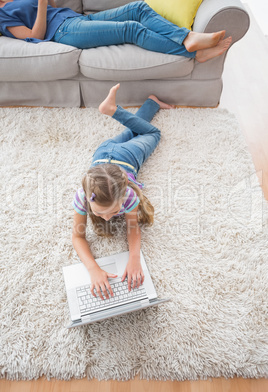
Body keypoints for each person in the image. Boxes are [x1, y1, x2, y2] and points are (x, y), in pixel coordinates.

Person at [72, 83, 174, 300]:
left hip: (128, 155)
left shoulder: (128, 194)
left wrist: (135, 257)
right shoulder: (83, 196)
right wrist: (93, 269)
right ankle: (138, 105)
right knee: (138, 130)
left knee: (154, 133)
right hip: (103, 151)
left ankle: (129, 107)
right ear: (89, 202)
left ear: (123, 196)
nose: (108, 218)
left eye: (113, 211)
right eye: (100, 214)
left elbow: (133, 226)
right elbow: (77, 236)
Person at [0, 0, 232, 63]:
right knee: (132, 29)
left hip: (75, 18)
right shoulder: (1, 15)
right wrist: (41, 3)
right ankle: (193, 53)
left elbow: (49, 7)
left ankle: (187, 37)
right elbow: (35, 35)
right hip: (63, 31)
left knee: (138, 8)